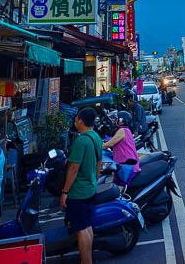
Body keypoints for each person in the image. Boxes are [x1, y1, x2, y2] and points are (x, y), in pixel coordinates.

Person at [60, 107, 103, 264]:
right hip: (90, 189)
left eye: (76, 118)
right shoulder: (96, 138)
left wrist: (65, 192)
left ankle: (86, 261)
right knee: (87, 226)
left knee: (81, 229)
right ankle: (87, 260)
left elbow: (73, 169)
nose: (75, 121)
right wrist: (94, 181)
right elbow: (99, 163)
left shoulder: (81, 140)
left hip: (78, 192)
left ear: (81, 121)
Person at [102, 110, 141, 186]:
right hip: (125, 164)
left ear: (121, 121)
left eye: (116, 119)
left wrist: (95, 146)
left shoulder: (122, 130)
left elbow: (110, 143)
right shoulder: (125, 130)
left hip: (127, 166)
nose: (114, 121)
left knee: (120, 189)